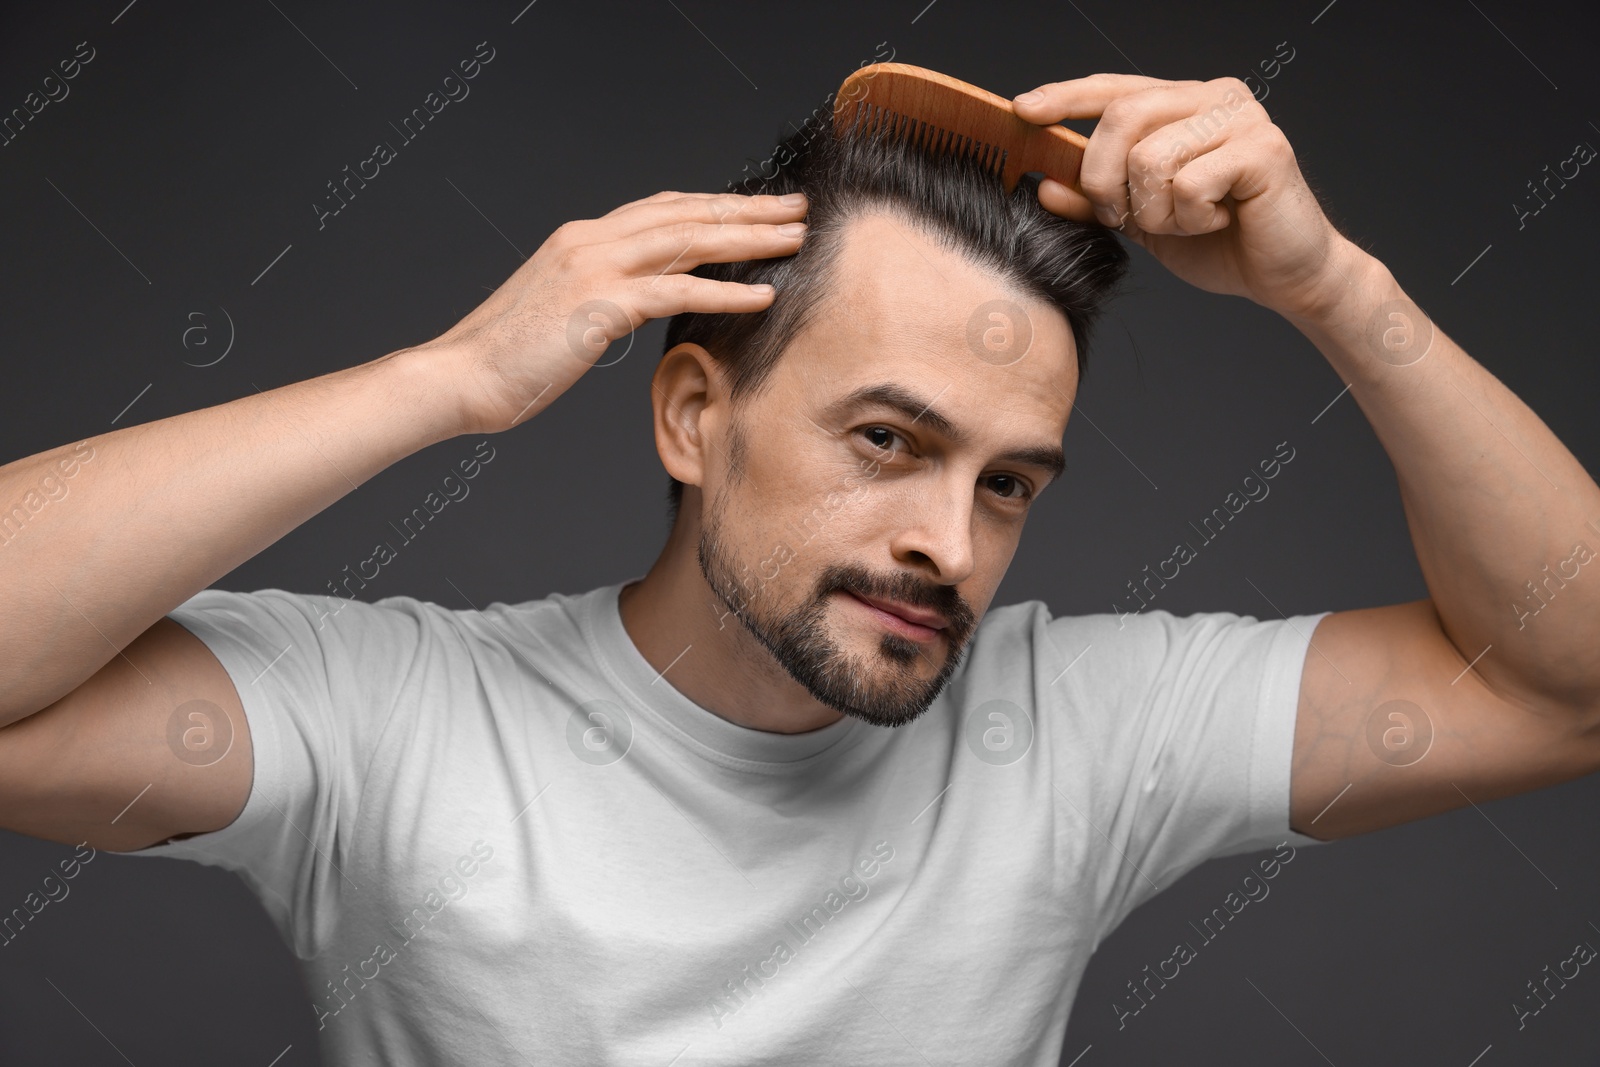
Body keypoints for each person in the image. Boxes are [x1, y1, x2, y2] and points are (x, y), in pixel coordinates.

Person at [2, 71, 1597, 1064]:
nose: (949, 544)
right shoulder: (405, 716)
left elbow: (1567, 679)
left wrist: (1332, 286)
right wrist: (449, 381)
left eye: (1011, 482)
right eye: (890, 441)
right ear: (696, 415)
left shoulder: (1083, 734)